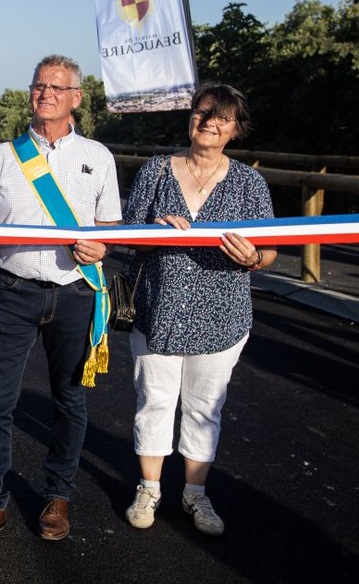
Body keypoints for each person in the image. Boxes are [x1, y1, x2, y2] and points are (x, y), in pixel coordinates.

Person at [0, 55, 121, 546]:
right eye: (39, 86)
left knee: (69, 399)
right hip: (14, 290)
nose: (46, 93)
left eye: (58, 87)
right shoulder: (1, 156)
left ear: (76, 97)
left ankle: (58, 495)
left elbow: (110, 227)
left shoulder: (98, 155)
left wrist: (102, 245)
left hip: (75, 293)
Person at [121, 83, 275, 537]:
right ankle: (149, 488)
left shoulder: (249, 183)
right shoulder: (155, 171)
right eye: (202, 112)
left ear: (234, 130)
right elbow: (126, 236)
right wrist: (152, 229)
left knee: (205, 408)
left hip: (222, 316)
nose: (208, 122)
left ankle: (195, 493)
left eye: (220, 117)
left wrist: (253, 258)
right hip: (157, 309)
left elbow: (270, 251)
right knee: (154, 403)